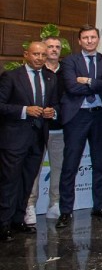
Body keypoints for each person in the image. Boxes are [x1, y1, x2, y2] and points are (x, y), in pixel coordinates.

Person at [0, 42, 59, 241]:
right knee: (9, 181)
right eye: (36, 54)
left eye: (43, 54)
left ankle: (18, 220)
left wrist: (53, 111)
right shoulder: (11, 76)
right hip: (14, 138)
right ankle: (3, 224)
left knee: (27, 181)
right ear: (26, 54)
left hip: (38, 138)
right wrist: (25, 110)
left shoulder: (50, 77)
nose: (40, 58)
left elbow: (55, 103)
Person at [57, 25, 102, 229]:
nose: (89, 41)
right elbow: (71, 86)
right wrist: (95, 83)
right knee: (70, 164)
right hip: (77, 116)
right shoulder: (70, 60)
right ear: (79, 41)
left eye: (93, 37)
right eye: (85, 38)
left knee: (100, 164)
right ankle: (65, 210)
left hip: (100, 117)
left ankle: (99, 206)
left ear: (98, 39)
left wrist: (87, 80)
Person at [25, 36, 65, 223]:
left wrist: (55, 111)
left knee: (58, 168)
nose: (53, 50)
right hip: (35, 130)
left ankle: (55, 203)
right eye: (50, 47)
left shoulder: (65, 71)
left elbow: (64, 101)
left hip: (58, 129)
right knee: (34, 169)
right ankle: (30, 205)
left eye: (57, 47)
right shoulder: (34, 73)